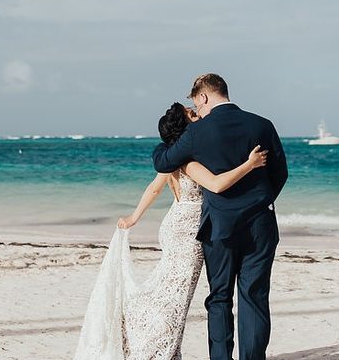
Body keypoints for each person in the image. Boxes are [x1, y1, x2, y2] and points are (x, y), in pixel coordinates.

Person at [74, 102, 268, 360]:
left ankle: (155, 342)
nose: (197, 113)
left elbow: (154, 188)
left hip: (175, 223)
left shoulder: (172, 157)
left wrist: (135, 216)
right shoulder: (188, 161)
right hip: (188, 232)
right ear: (185, 126)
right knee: (177, 297)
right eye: (191, 114)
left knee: (167, 289)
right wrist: (249, 164)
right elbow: (217, 184)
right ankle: (153, 348)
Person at [153, 73, 287, 360]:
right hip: (261, 223)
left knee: (220, 298)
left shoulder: (197, 133)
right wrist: (259, 202)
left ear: (203, 96)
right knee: (254, 296)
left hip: (219, 226)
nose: (198, 111)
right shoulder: (263, 125)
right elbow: (280, 173)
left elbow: (163, 161)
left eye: (196, 104)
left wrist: (165, 141)